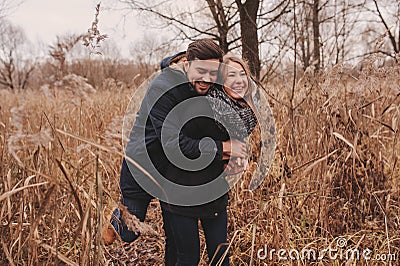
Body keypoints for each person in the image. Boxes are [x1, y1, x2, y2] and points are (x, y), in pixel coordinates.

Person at [102, 39, 248, 265]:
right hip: (146, 165)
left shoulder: (207, 83)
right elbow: (172, 143)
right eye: (201, 71)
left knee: (176, 242)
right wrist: (225, 148)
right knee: (130, 232)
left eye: (212, 73)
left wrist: (235, 154)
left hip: (176, 171)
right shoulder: (163, 87)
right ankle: (115, 221)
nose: (207, 79)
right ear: (187, 64)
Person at [160, 53, 258, 266]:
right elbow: (178, 145)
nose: (239, 80)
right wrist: (225, 150)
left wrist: (235, 159)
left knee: (221, 257)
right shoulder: (201, 106)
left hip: (213, 192)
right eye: (231, 74)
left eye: (243, 74)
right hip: (180, 192)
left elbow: (235, 145)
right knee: (187, 258)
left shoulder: (244, 112)